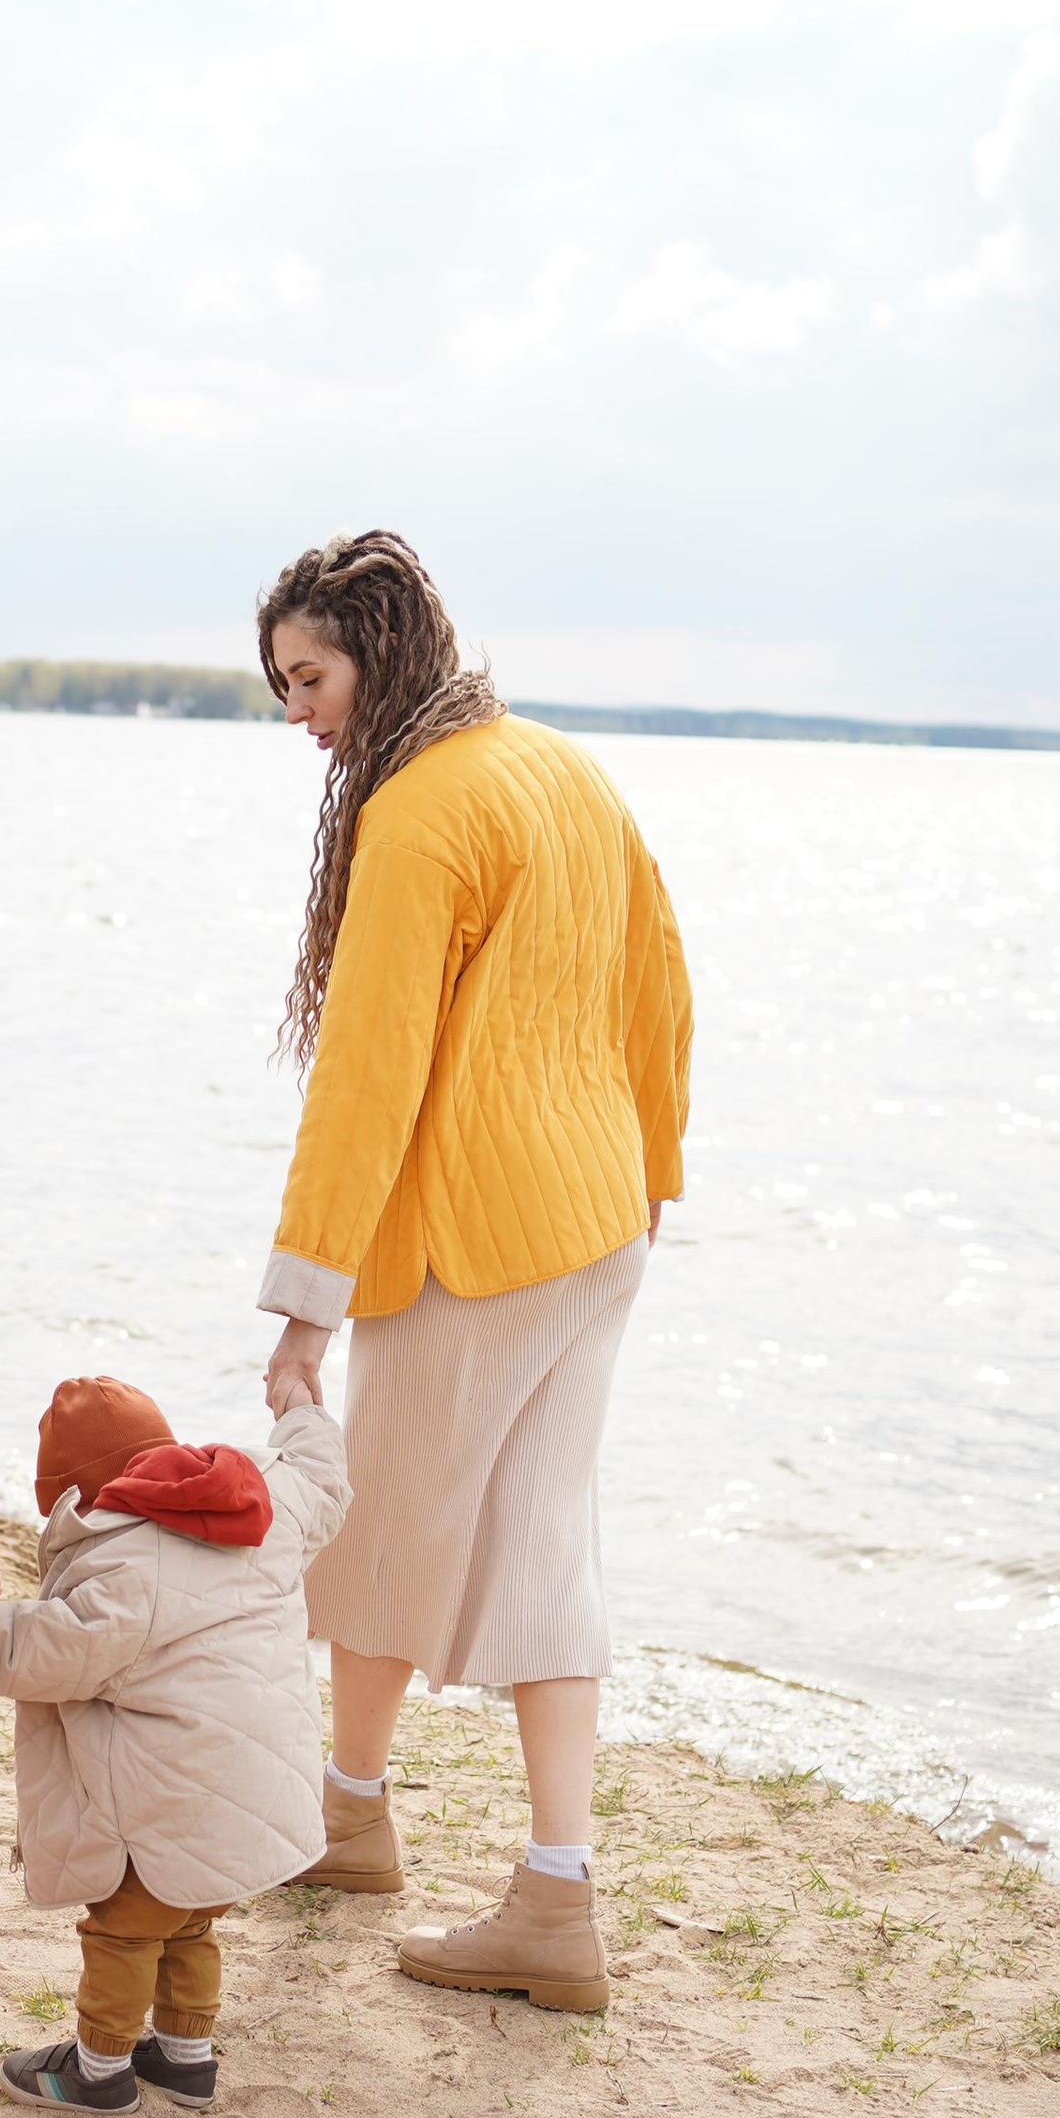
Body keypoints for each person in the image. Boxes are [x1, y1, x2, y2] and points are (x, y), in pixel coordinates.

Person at [255, 529, 692, 2014]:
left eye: (308, 678)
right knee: (534, 1541)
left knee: (381, 1521)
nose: (299, 714)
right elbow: (661, 990)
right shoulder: (561, 767)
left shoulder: (422, 808)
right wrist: (660, 1173)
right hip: (599, 1220)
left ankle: (366, 1818)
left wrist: (304, 1297)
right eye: (284, 689)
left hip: (483, 1233)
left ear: (378, 647)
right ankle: (498, 1871)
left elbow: (368, 1074)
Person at [0, 1370, 348, 2116]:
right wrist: (301, 1408)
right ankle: (186, 2059)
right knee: (190, 1921)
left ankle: (99, 2071)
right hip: (253, 1800)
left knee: (123, 1932)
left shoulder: (118, 1567)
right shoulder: (269, 1504)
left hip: (169, 1807)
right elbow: (318, 1475)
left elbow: (44, 1648)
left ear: (78, 1497)